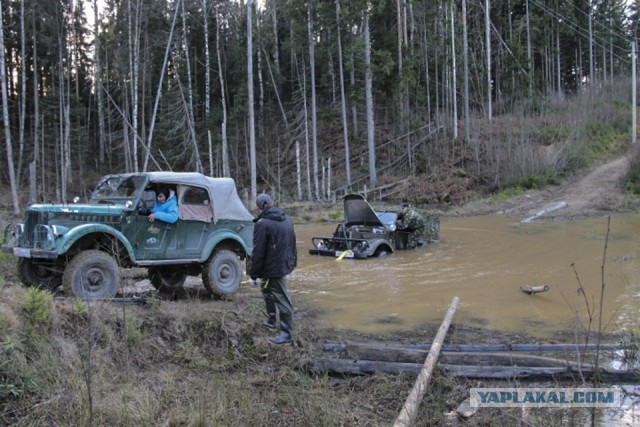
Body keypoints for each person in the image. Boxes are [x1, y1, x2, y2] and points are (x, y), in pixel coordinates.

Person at [249, 193, 297, 345]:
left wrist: (253, 275)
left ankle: (287, 333)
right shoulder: (287, 219)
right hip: (281, 264)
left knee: (282, 299)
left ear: (259, 207)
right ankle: (271, 320)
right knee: (267, 290)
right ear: (272, 203)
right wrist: (292, 262)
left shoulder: (262, 224)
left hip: (274, 268)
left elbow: (258, 252)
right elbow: (293, 244)